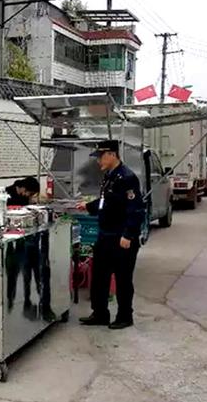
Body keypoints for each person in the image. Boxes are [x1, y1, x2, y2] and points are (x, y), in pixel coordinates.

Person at [76, 140, 145, 329]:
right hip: (105, 235)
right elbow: (107, 201)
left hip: (120, 236)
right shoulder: (109, 177)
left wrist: (129, 234)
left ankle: (124, 317)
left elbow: (136, 209)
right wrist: (88, 206)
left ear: (112, 155)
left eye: (101, 157)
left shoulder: (127, 177)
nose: (98, 161)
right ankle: (100, 313)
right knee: (99, 277)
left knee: (123, 279)